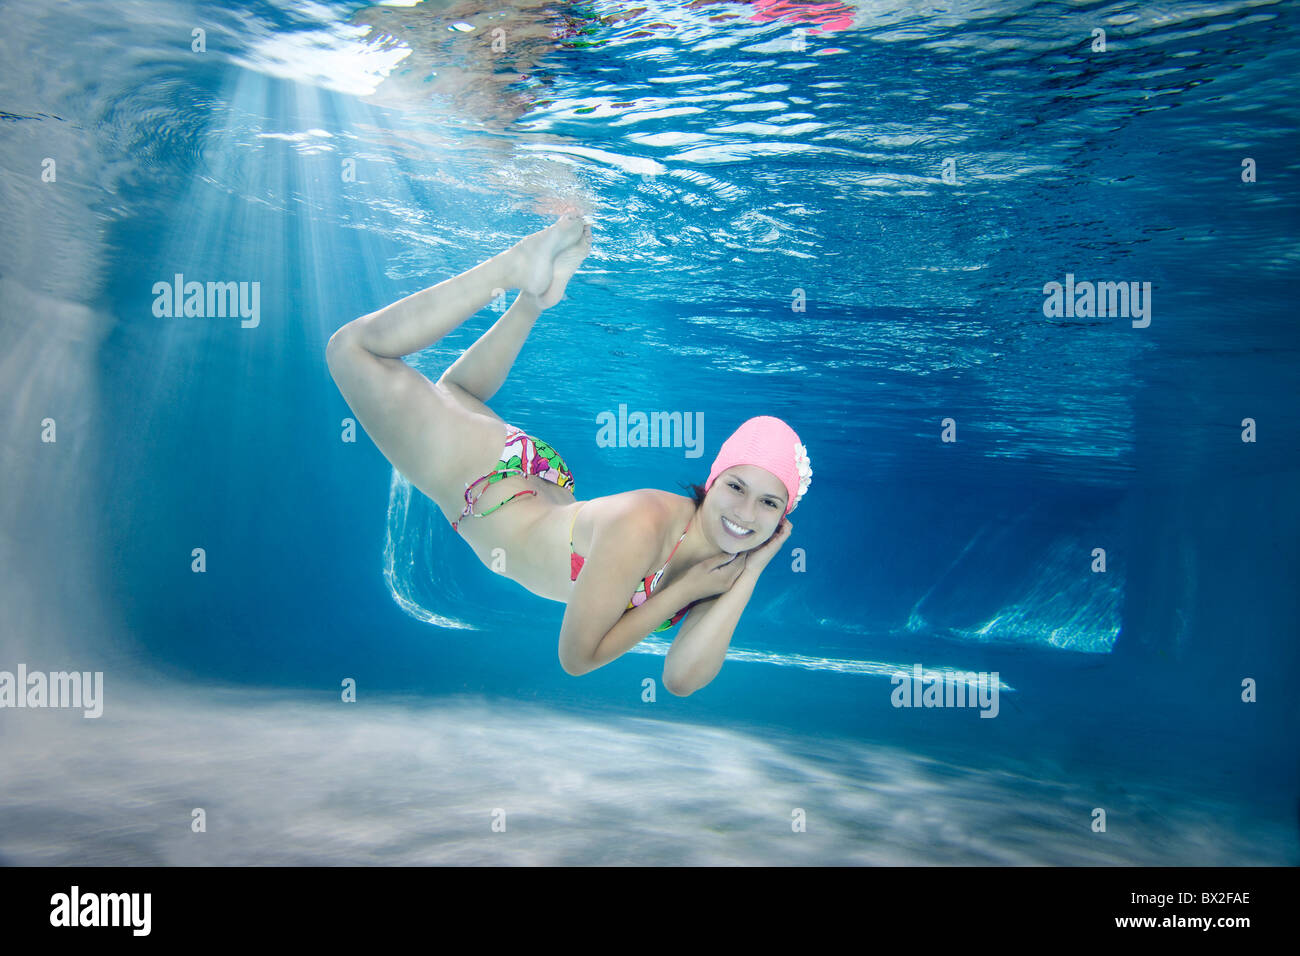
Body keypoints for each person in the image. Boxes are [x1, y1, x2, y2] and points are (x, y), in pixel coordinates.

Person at [326, 215, 812, 695]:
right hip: (483, 484)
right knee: (352, 350)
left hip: (538, 480)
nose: (747, 513)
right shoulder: (646, 523)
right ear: (713, 482)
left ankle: (533, 300)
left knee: (455, 392)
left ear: (784, 517)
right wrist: (683, 593)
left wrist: (752, 570)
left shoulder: (724, 562)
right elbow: (577, 659)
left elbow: (681, 679)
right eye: (736, 487)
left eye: (770, 503)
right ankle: (513, 267)